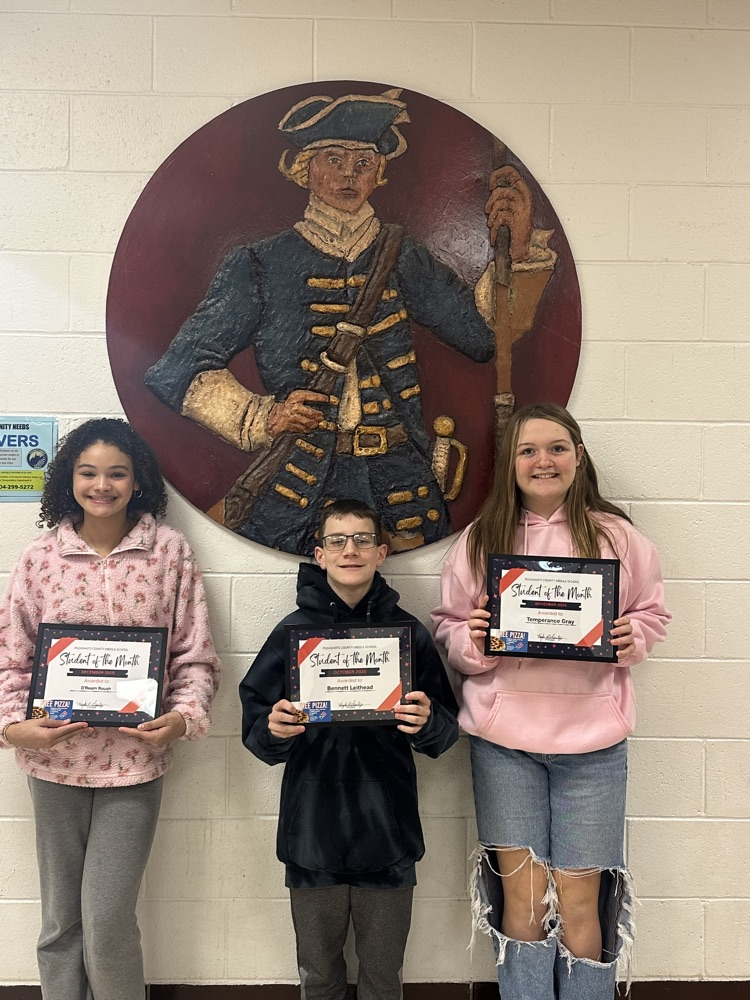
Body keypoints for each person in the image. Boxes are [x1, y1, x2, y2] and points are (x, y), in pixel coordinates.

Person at [144, 88, 556, 556]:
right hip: (298, 481)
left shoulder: (401, 254)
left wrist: (519, 249)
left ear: (380, 173)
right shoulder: (259, 264)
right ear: (304, 170)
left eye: (362, 163)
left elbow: (483, 337)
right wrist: (263, 417)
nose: (348, 175)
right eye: (333, 159)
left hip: (401, 480)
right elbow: (178, 369)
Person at [431, 403, 670, 999]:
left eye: (557, 448)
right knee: (525, 901)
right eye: (528, 450)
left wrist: (629, 637)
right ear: (509, 463)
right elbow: (448, 630)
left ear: (578, 456)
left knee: (583, 900)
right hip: (504, 747)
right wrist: (478, 642)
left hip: (593, 748)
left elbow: (652, 614)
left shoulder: (617, 536)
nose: (544, 461)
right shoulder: (479, 541)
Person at [0, 418, 220, 1000]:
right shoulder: (39, 559)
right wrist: (16, 728)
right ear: (68, 479)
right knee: (59, 924)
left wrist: (182, 717)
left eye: (117, 473)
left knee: (107, 920)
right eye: (88, 472)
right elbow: (11, 659)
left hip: (133, 766)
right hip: (54, 767)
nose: (103, 485)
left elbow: (195, 656)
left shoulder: (169, 552)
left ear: (138, 480)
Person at [239, 498, 459, 1000]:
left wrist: (426, 723)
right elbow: (255, 725)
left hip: (389, 834)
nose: (350, 550)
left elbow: (445, 728)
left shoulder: (408, 634)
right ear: (319, 554)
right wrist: (273, 729)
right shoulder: (292, 634)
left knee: (383, 980)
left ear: (382, 552)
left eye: (362, 539)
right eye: (337, 540)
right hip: (311, 835)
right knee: (318, 979)